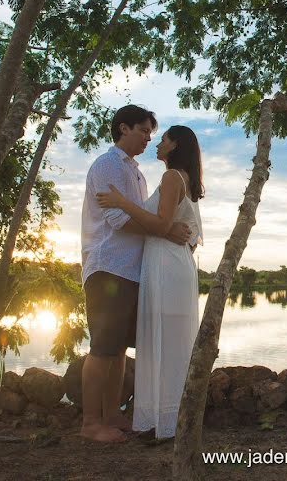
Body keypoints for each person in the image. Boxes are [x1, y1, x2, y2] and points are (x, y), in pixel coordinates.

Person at [80, 106, 190, 443]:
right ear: (123, 128)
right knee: (102, 348)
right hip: (109, 267)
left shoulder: (137, 174)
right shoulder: (108, 165)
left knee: (118, 351)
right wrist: (166, 230)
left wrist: (160, 228)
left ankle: (112, 416)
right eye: (143, 131)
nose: (147, 138)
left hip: (131, 271)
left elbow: (143, 218)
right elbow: (118, 220)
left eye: (151, 134)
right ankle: (90, 424)